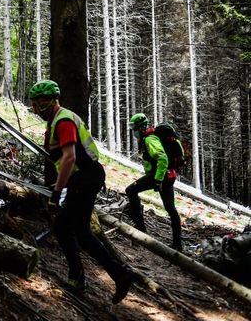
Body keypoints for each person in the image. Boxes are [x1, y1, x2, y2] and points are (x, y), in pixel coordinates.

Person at [29, 80, 134, 304]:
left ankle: (80, 278)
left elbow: (70, 157)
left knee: (64, 227)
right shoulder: (59, 119)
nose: (36, 109)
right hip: (84, 178)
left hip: (85, 178)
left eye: (38, 104)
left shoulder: (63, 120)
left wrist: (57, 194)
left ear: (48, 102)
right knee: (81, 232)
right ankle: (117, 273)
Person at [126, 113, 182, 252]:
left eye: (135, 129)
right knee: (170, 208)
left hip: (160, 176)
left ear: (141, 127)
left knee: (130, 190)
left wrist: (157, 180)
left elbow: (162, 158)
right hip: (168, 176)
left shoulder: (150, 139)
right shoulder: (149, 137)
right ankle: (177, 244)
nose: (133, 132)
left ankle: (140, 227)